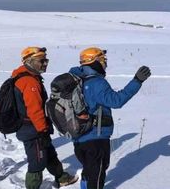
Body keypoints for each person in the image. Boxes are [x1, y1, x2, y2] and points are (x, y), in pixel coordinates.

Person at [69, 47, 151, 189]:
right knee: (97, 177)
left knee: (88, 171)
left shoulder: (77, 81)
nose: (105, 63)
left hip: (79, 138)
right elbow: (116, 101)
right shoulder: (96, 82)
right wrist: (137, 81)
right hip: (96, 139)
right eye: (102, 60)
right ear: (93, 62)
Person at [13, 47, 77, 189]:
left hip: (33, 127)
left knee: (49, 153)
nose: (45, 63)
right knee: (37, 162)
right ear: (29, 61)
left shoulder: (28, 77)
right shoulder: (29, 82)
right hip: (33, 129)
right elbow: (35, 110)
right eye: (41, 60)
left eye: (46, 60)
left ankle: (61, 178)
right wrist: (42, 130)